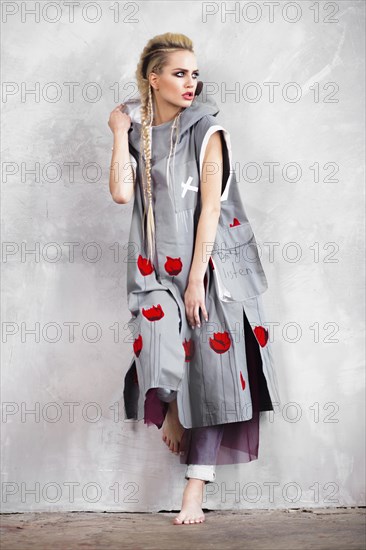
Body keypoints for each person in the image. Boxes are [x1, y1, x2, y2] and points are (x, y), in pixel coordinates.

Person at [108, 32, 281, 525]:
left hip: (210, 268)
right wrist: (119, 132)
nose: (191, 82)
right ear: (153, 78)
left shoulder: (209, 131)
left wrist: (194, 280)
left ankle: (193, 492)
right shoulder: (140, 135)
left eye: (194, 73)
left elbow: (210, 210)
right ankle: (170, 410)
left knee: (213, 378)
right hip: (153, 266)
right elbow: (123, 194)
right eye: (179, 72)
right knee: (155, 342)